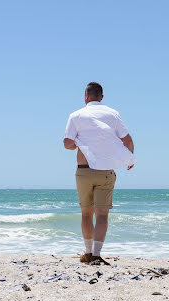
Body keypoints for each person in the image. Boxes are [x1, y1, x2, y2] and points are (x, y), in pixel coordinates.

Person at [63, 82, 135, 265]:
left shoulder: (76, 115)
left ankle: (87, 253)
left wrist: (80, 143)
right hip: (105, 172)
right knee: (102, 215)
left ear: (86, 96)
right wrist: (129, 159)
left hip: (84, 171)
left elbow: (67, 144)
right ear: (101, 97)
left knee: (86, 213)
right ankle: (96, 254)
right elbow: (127, 140)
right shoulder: (112, 114)